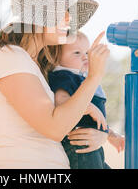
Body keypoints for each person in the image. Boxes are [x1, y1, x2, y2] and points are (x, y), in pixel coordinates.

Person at [0, 0, 108, 168]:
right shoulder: (11, 57)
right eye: (61, 12)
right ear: (37, 18)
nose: (69, 18)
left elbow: (63, 125)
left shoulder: (31, 64)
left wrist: (99, 136)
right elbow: (54, 128)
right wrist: (94, 76)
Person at [48, 31, 125, 169]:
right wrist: (89, 107)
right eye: (77, 53)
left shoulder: (84, 79)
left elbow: (97, 120)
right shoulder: (64, 76)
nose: (85, 57)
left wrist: (111, 135)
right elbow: (61, 102)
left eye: (87, 52)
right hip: (78, 147)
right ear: (55, 58)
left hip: (90, 147)